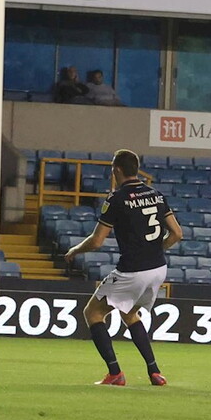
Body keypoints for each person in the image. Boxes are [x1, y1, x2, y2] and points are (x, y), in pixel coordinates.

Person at [63, 148, 182, 387]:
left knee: (93, 313)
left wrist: (74, 250)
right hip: (158, 269)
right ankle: (155, 372)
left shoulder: (117, 199)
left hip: (133, 270)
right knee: (129, 313)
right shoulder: (157, 195)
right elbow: (177, 233)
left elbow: (97, 241)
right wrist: (155, 250)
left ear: (116, 170)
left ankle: (115, 373)